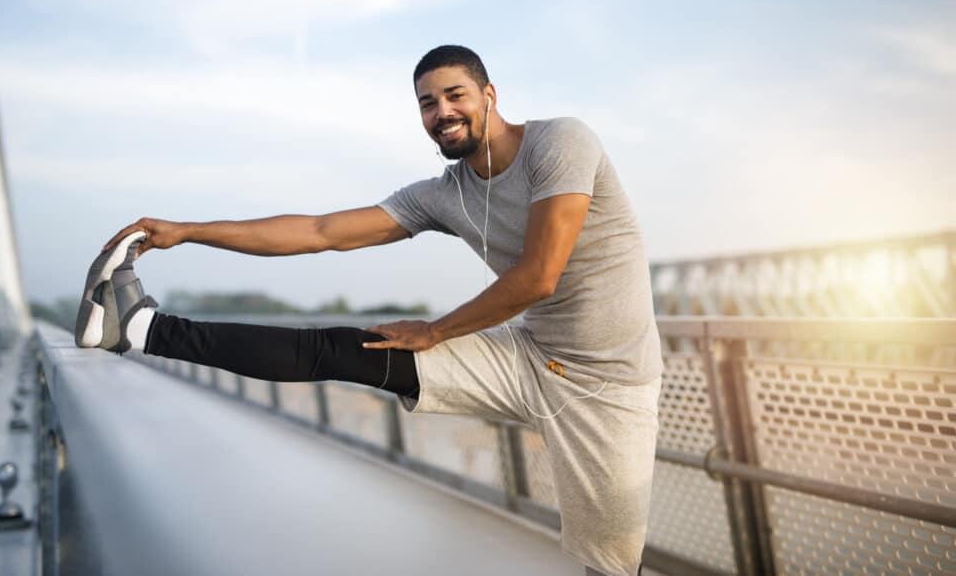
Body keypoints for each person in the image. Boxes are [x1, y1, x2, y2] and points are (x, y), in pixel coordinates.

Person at [76, 45, 663, 576]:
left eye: (455, 95)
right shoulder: (443, 194)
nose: (442, 112)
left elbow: (539, 276)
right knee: (341, 349)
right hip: (529, 357)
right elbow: (321, 230)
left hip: (611, 387)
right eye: (427, 104)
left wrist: (435, 331)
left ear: (489, 96)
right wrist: (187, 231)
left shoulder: (560, 143)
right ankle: (142, 328)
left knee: (611, 571)